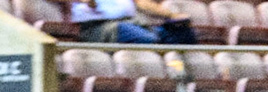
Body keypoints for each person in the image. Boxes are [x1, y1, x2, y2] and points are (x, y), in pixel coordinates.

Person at [69, 0, 198, 44]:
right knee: (147, 38)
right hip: (101, 27)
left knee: (185, 34)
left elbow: (142, 3)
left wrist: (173, 15)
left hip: (132, 23)